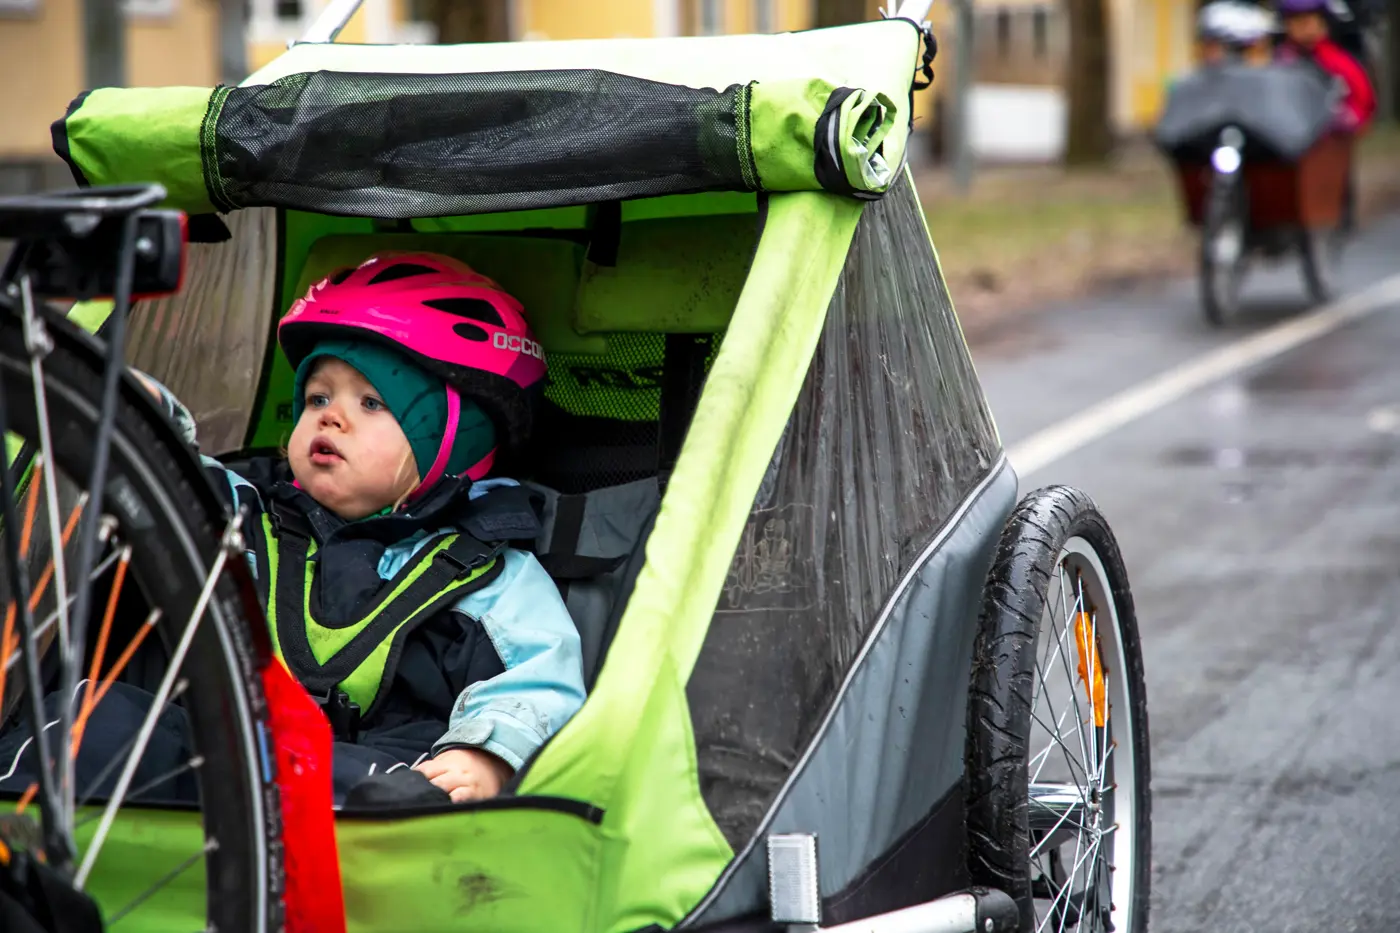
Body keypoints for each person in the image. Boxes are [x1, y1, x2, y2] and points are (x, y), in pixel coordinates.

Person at [2, 252, 586, 807]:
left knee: (404, 789)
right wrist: (129, 414)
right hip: (214, 744)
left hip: (372, 767)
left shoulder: (492, 571)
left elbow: (539, 678)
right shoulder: (242, 508)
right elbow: (166, 477)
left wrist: (485, 753)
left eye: (373, 403)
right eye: (318, 396)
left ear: (456, 440)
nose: (330, 415)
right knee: (93, 715)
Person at [1274, 0, 1376, 134]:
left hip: (1329, 140)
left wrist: (1347, 119)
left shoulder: (1337, 61)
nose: (1303, 26)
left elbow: (1364, 100)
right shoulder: (1279, 60)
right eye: (1296, 20)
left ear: (1323, 24)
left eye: (1309, 19)